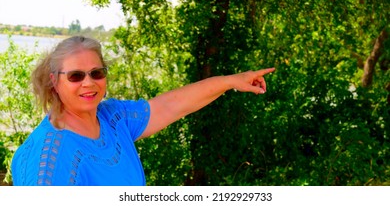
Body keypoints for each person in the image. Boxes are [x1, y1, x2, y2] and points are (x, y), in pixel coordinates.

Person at [11, 35, 275, 186]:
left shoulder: (112, 118)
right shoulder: (48, 159)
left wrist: (230, 81)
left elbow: (172, 104)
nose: (89, 83)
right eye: (76, 76)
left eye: (97, 73)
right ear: (54, 81)